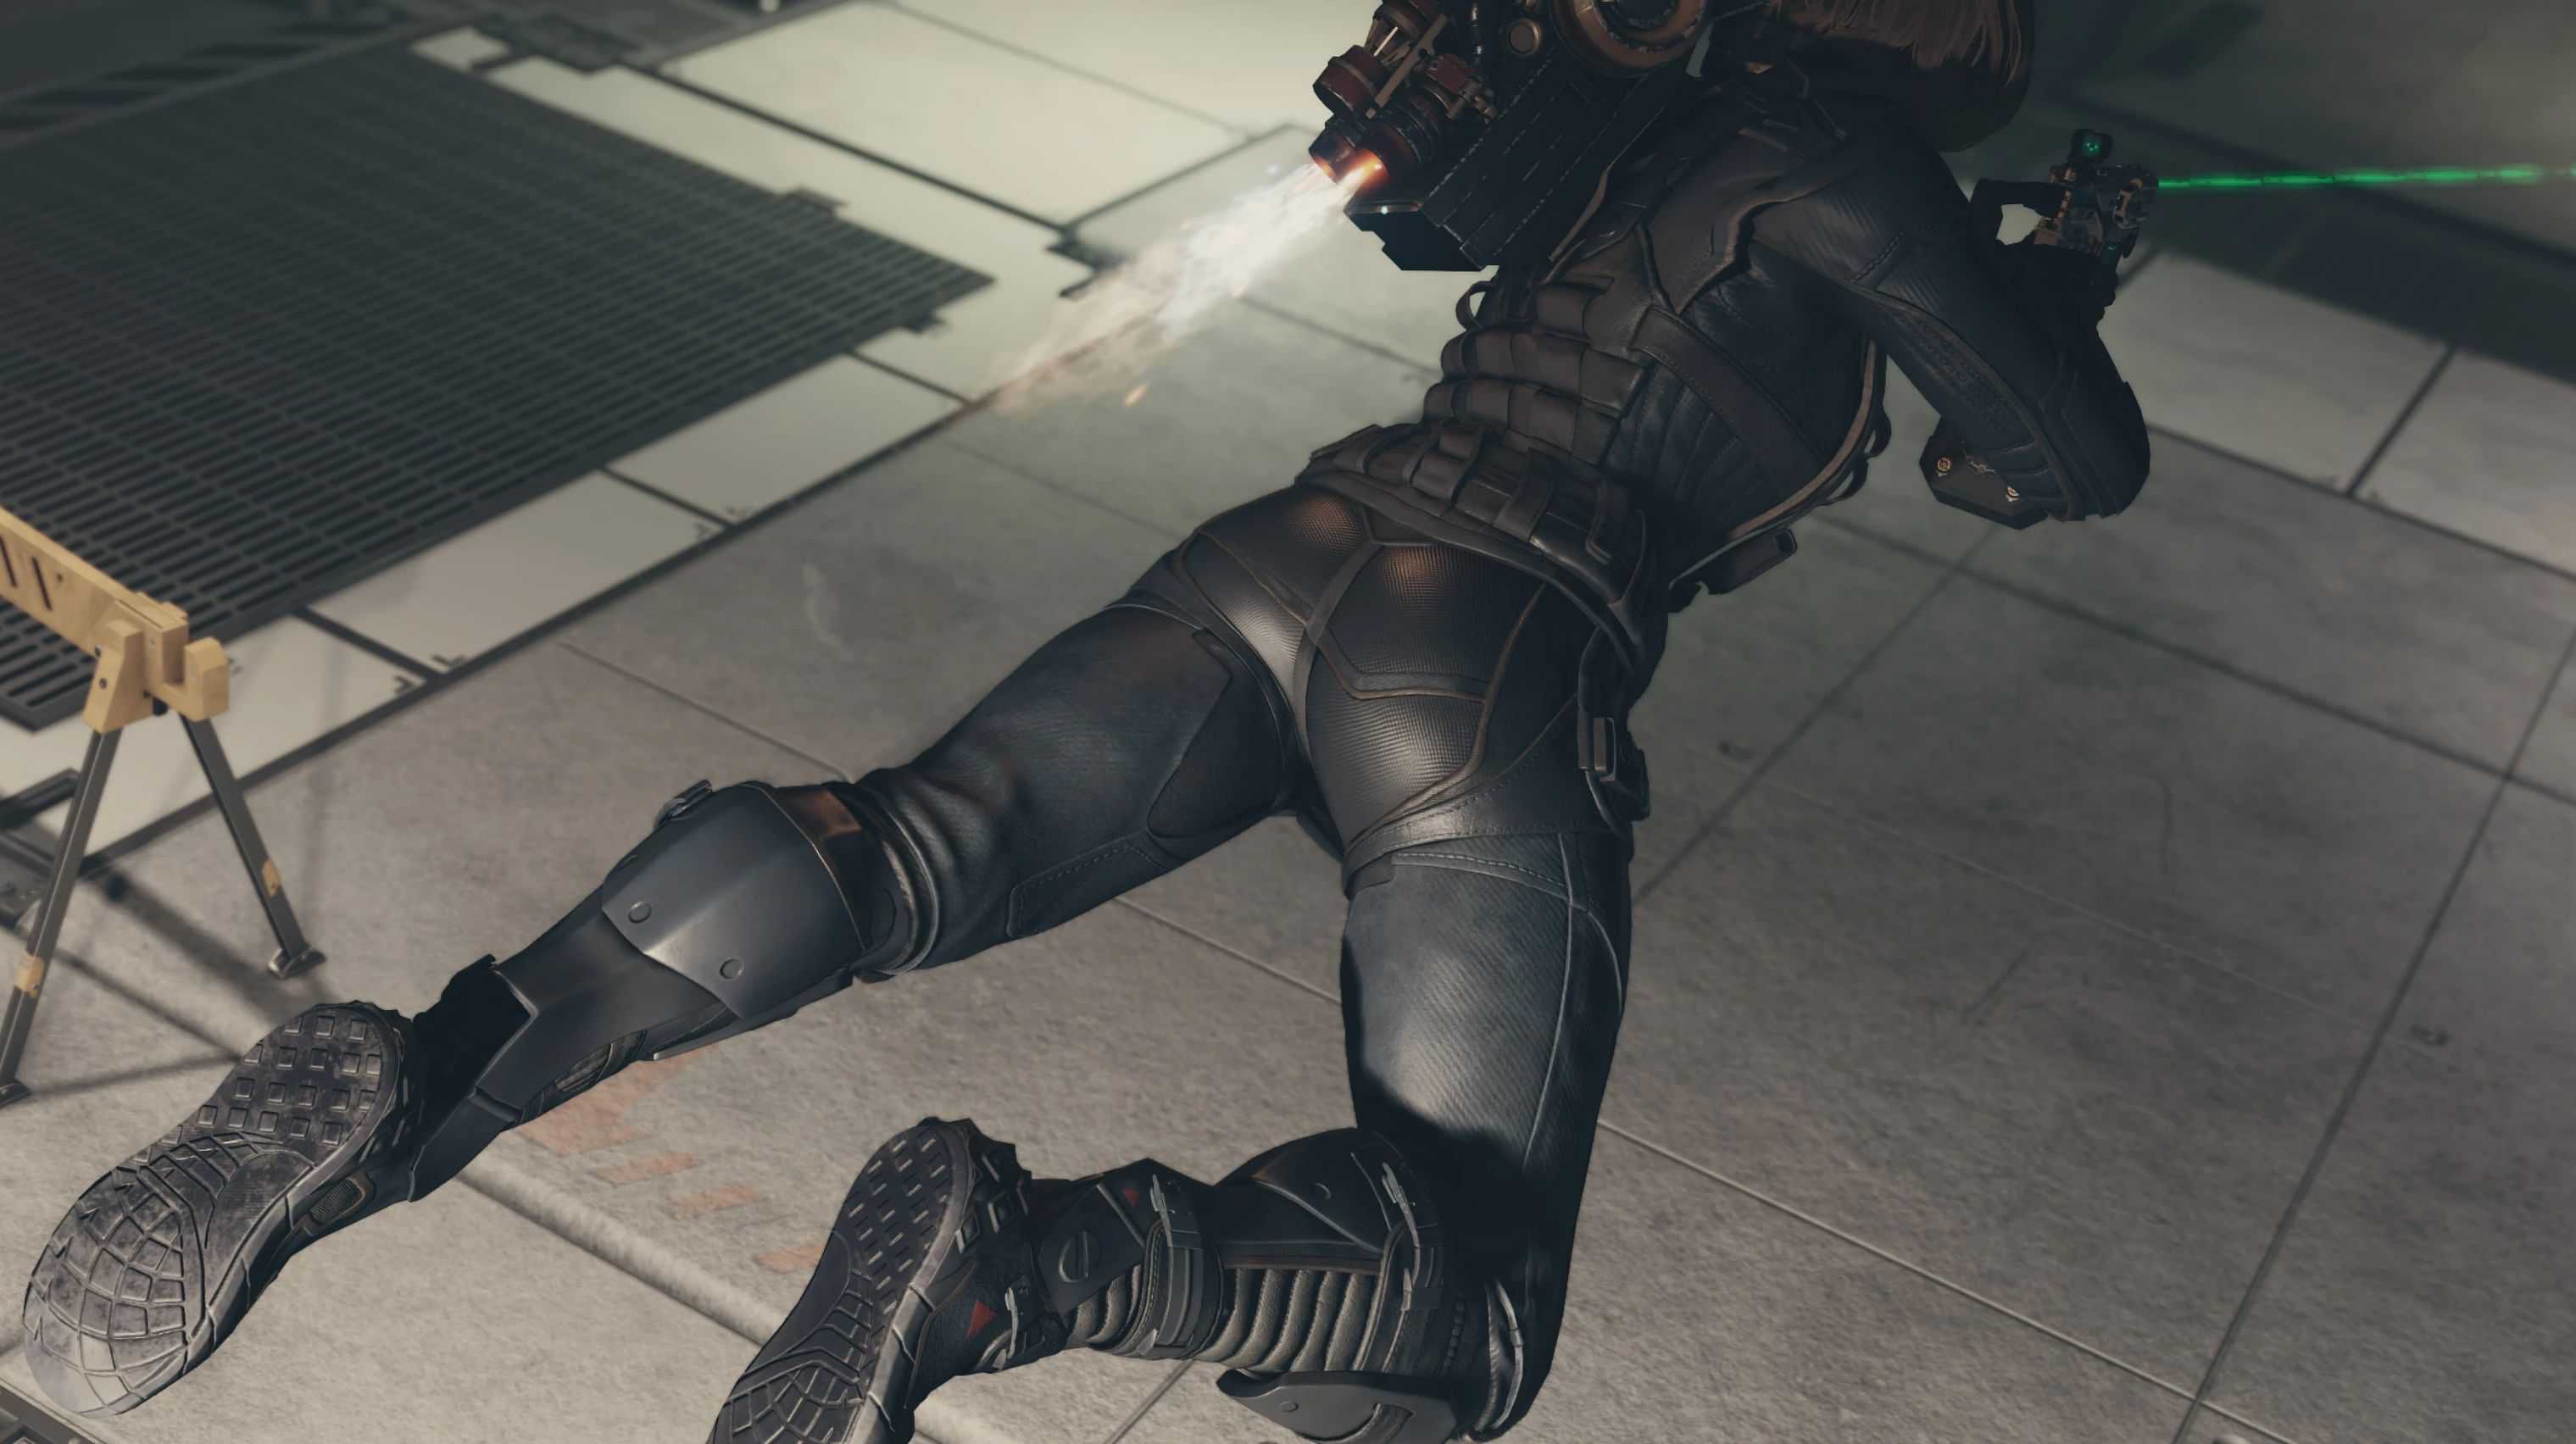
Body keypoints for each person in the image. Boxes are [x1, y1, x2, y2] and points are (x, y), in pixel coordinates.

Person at [23, 3, 2146, 1441]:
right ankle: (1017, 1264)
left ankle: (426, 1071)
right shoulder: (1851, 162)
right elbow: (2056, 460)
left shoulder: (1647, 111)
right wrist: (2051, 291)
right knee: (1471, 1297)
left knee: (911, 839)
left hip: (1293, 548)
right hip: (1501, 646)